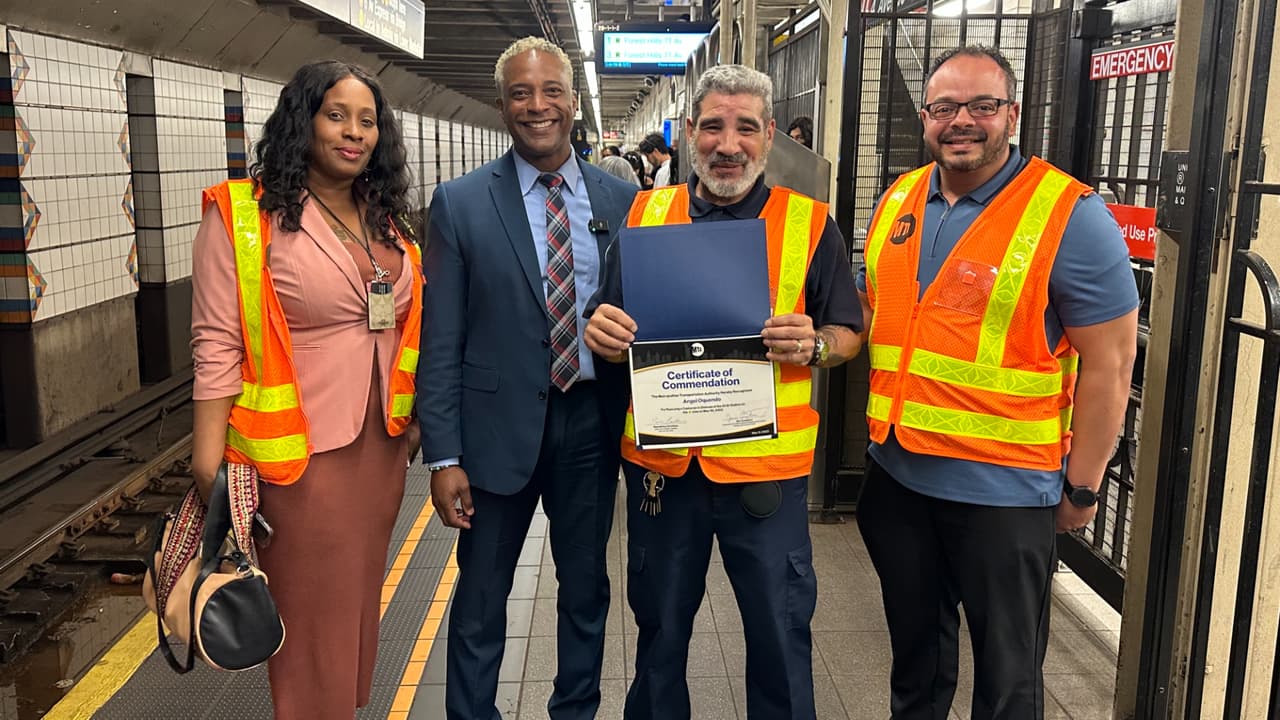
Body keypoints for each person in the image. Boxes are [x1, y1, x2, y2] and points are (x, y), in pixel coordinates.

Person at [855, 45, 1139, 719]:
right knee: (915, 669)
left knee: (1009, 684)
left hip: (1006, 494)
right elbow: (883, 320)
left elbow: (1112, 363)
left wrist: (1084, 484)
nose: (963, 121)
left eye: (982, 106)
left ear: (1012, 114)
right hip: (897, 480)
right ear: (926, 117)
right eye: (946, 107)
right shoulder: (899, 197)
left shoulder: (1069, 214)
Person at [585, 64, 863, 720]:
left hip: (766, 482)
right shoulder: (647, 214)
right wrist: (601, 330)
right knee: (658, 639)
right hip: (664, 476)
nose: (727, 144)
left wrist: (817, 345)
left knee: (780, 638)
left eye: (744, 128)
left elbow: (850, 330)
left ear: (768, 137)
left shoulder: (810, 224)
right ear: (689, 133)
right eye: (712, 126)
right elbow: (606, 317)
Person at [189, 60, 421, 719]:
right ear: (302, 120)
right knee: (312, 628)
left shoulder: (383, 218)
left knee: (354, 614)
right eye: (336, 115)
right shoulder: (244, 217)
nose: (354, 133)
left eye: (368, 120)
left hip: (380, 452)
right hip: (301, 460)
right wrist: (208, 458)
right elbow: (215, 344)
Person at [417, 36, 638, 720]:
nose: (536, 107)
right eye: (521, 93)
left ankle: (574, 710)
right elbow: (441, 337)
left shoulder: (622, 200)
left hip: (589, 426)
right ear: (501, 105)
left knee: (584, 591)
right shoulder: (458, 204)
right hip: (491, 435)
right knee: (481, 596)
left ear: (573, 102)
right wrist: (444, 455)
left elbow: (645, 315)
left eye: (550, 93)